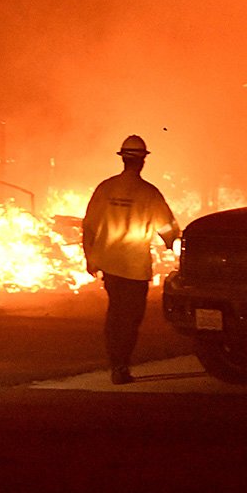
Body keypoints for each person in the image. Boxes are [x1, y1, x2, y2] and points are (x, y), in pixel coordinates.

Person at [83, 135, 179, 385]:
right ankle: (121, 365)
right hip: (135, 267)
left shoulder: (106, 188)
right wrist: (173, 245)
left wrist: (89, 257)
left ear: (123, 159)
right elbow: (167, 228)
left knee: (116, 313)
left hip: (110, 264)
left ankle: (116, 363)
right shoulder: (149, 193)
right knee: (131, 318)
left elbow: (89, 225)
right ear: (142, 161)